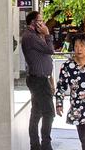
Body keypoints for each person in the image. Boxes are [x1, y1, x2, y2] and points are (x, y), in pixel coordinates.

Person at [21, 11, 55, 150]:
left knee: (37, 113)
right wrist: (47, 34)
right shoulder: (30, 37)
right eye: (40, 21)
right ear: (33, 22)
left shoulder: (34, 36)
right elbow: (50, 50)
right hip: (38, 81)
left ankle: (35, 145)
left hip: (41, 79)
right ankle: (45, 146)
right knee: (49, 113)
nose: (43, 24)